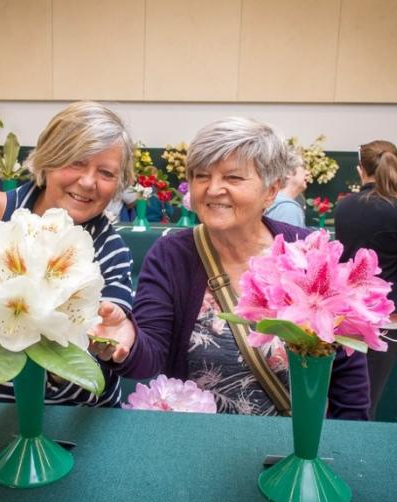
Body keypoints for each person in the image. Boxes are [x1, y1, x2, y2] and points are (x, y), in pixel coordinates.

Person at [90, 117, 370, 418]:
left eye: (233, 178)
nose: (213, 189)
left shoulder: (309, 251)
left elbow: (347, 373)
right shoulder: (172, 255)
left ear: (272, 190)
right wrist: (127, 341)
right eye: (201, 176)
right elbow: (151, 357)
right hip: (200, 444)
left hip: (294, 447)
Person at [0, 101, 136, 407]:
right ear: (48, 160)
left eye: (106, 173)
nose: (88, 182)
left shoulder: (109, 249)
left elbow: (92, 375)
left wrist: (63, 370)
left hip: (68, 429)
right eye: (76, 162)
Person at [334, 140, 397, 420]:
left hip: (349, 314)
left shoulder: (345, 207)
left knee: (345, 397)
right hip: (386, 317)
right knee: (368, 401)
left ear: (360, 170)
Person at [264, 147, 307, 227]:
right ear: (288, 173)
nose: (307, 172)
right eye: (303, 168)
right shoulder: (288, 209)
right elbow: (290, 239)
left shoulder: (270, 202)